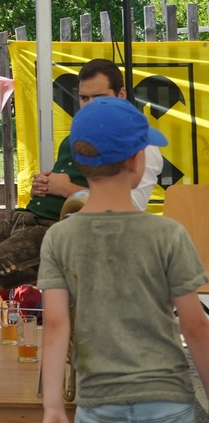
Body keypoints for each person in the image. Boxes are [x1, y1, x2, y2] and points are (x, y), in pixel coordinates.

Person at [39, 96, 209, 423]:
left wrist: (53, 406)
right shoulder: (168, 234)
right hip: (167, 400)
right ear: (136, 160)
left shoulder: (58, 237)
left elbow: (57, 325)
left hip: (98, 402)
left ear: (78, 161)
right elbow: (195, 326)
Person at [0, 58, 164, 313]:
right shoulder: (79, 135)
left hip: (66, 237)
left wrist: (64, 188)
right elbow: (67, 183)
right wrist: (43, 187)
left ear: (121, 95)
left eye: (99, 97)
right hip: (25, 220)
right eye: (84, 98)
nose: (90, 105)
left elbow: (130, 211)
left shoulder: (140, 143)